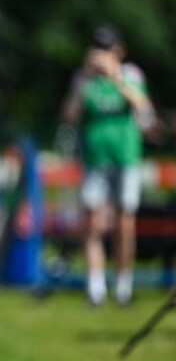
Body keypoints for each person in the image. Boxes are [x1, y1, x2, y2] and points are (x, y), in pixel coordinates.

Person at [61, 24, 154, 306]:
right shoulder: (83, 79)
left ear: (118, 51)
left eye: (106, 48)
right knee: (93, 222)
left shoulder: (131, 74)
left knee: (125, 222)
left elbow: (143, 106)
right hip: (94, 157)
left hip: (126, 156)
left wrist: (115, 77)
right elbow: (69, 116)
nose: (101, 54)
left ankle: (123, 285)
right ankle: (95, 288)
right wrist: (85, 79)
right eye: (97, 48)